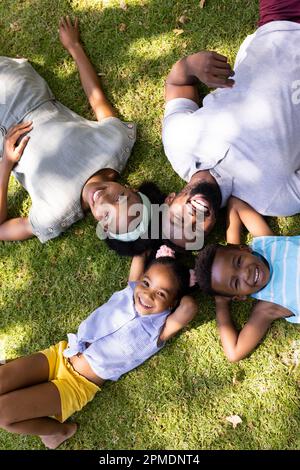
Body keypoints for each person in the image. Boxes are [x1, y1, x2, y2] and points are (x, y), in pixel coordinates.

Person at [0, 246, 197, 449]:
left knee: (2, 414)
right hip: (60, 354)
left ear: (173, 303)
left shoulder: (159, 331)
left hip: (75, 385)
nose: (147, 294)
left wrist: (185, 286)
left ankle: (59, 432)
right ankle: (17, 377)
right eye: (146, 283)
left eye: (161, 294)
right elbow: (139, 254)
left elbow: (189, 307)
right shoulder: (130, 291)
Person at [0, 17, 163, 255]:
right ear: (129, 188)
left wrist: (6, 162)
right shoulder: (114, 145)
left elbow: (1, 228)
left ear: (103, 228)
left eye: (106, 215)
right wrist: (74, 47)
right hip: (22, 93)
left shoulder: (55, 215)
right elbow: (97, 99)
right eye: (120, 198)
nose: (103, 199)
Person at [162, 0, 300, 249]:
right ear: (212, 228)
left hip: (279, 20)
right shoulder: (274, 199)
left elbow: (177, 85)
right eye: (196, 230)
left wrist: (192, 65)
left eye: (178, 219)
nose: (192, 218)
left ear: (170, 200)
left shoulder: (177, 144)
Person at [195, 196, 300, 363]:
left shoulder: (267, 243)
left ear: (245, 248)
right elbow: (234, 353)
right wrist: (222, 303)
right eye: (236, 282)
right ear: (239, 297)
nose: (246, 273)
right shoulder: (268, 306)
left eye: (238, 262)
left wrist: (234, 249)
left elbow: (235, 205)